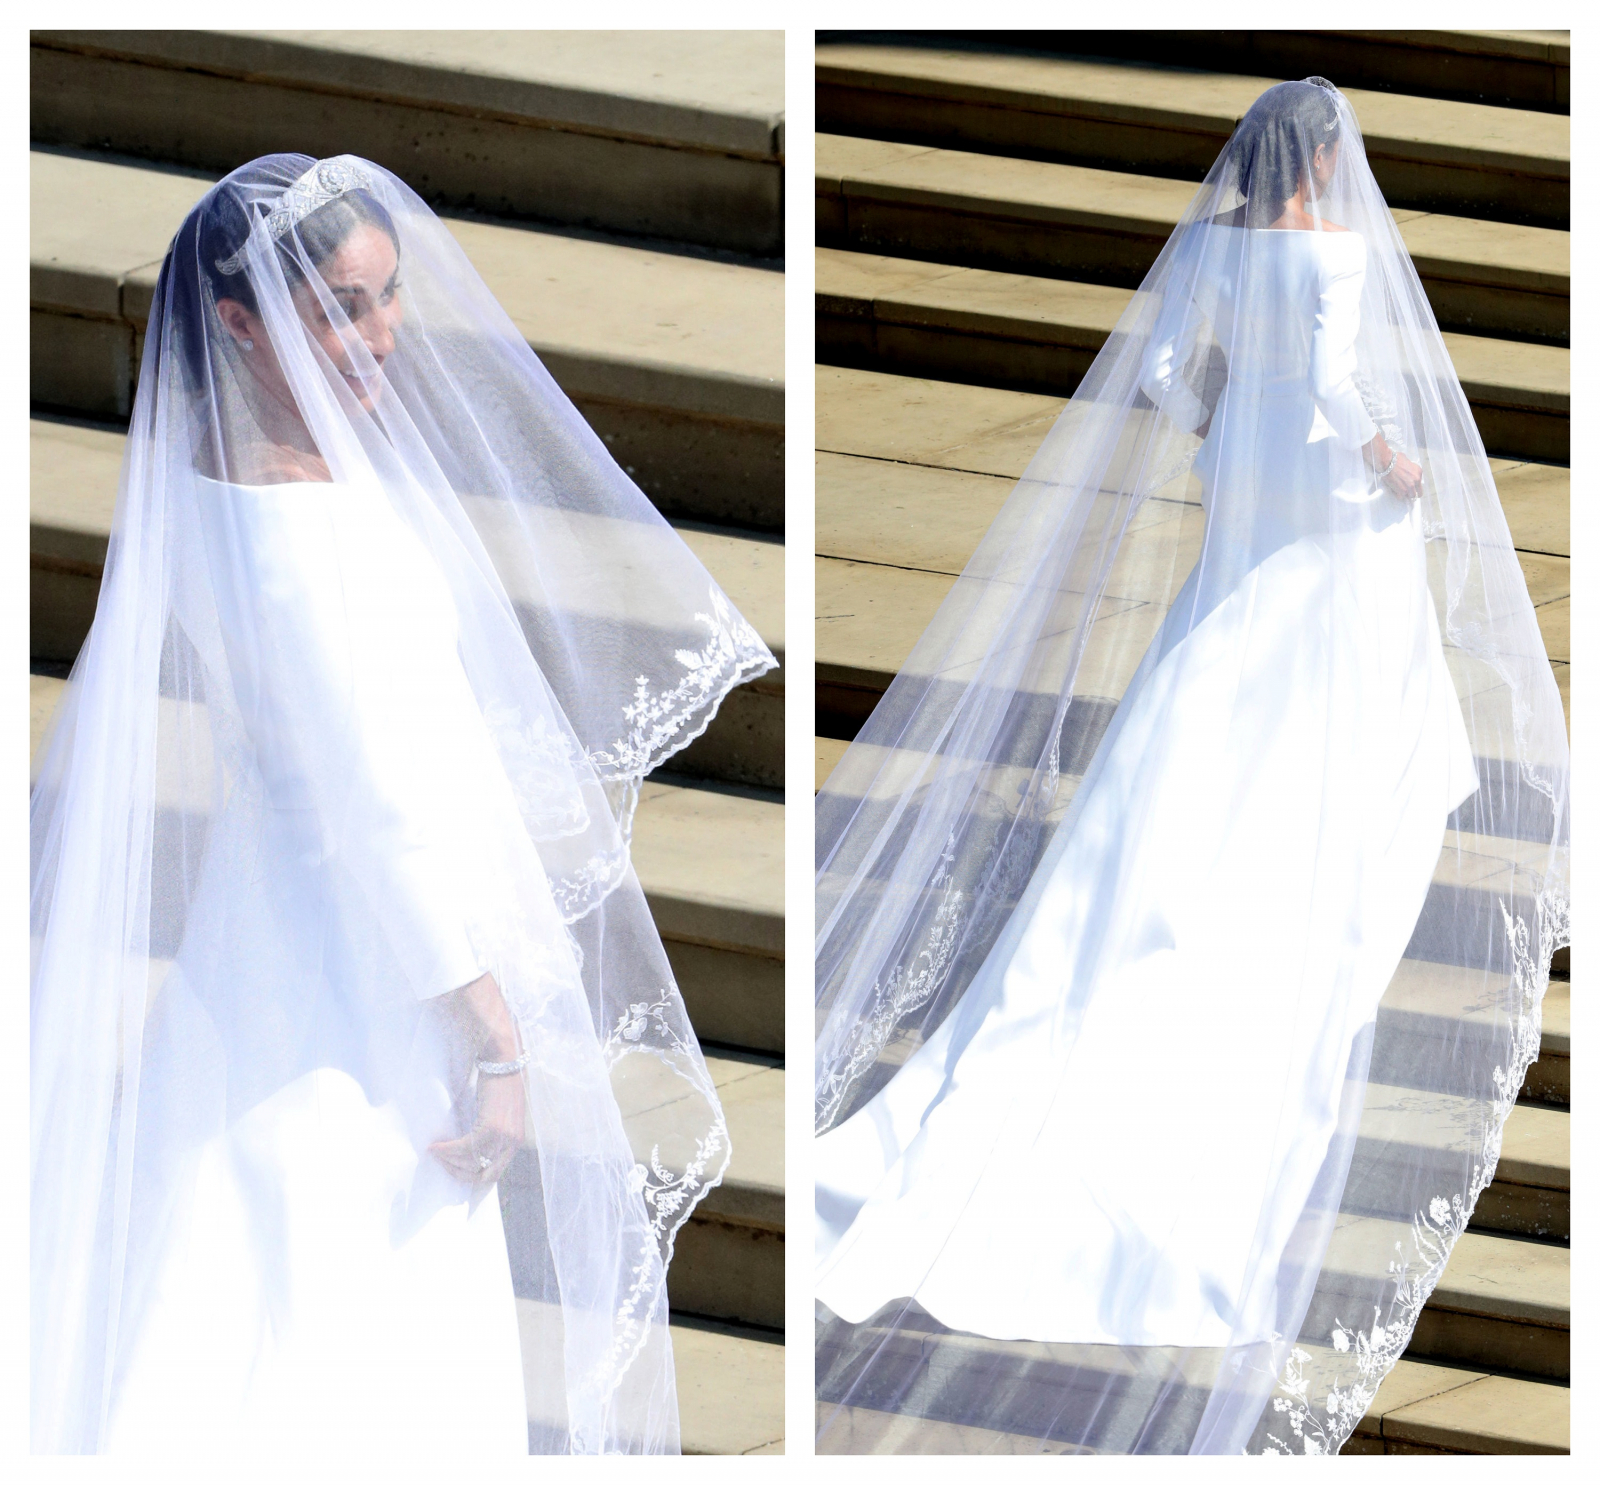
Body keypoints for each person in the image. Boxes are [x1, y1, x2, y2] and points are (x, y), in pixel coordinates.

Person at [814, 79, 1566, 1456]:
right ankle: (1359, 794)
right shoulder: (1330, 254)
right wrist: (1388, 451)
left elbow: (1168, 377)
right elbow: (1343, 382)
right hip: (1324, 491)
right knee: (1354, 613)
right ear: (1322, 161)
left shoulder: (1217, 250)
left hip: (1247, 490)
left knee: (1217, 664)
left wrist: (1232, 423)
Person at [30, 153, 776, 1456]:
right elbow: (366, 811)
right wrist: (493, 1034)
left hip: (253, 948)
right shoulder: (296, 534)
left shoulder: (211, 478)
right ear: (242, 322)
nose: (377, 339)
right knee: (350, 1271)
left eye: (385, 302)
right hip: (360, 983)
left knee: (242, 1254)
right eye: (338, 308)